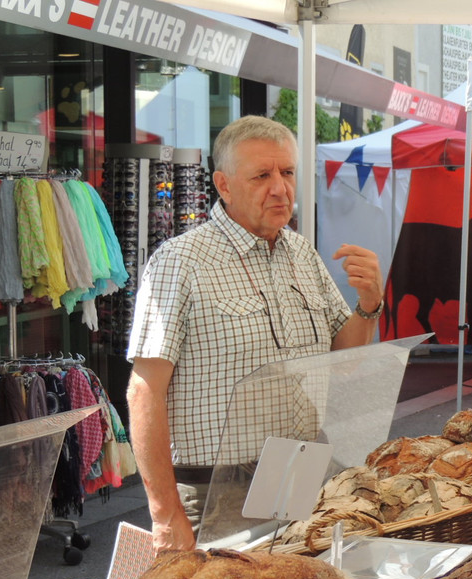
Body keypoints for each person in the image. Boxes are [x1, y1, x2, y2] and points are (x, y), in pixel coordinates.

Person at [126, 116, 385, 553]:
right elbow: (144, 392)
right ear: (223, 185)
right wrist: (165, 513)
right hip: (220, 489)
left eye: (288, 172)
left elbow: (345, 359)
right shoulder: (180, 261)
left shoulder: (301, 252)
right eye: (262, 175)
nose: (280, 188)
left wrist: (369, 302)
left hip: (302, 471)